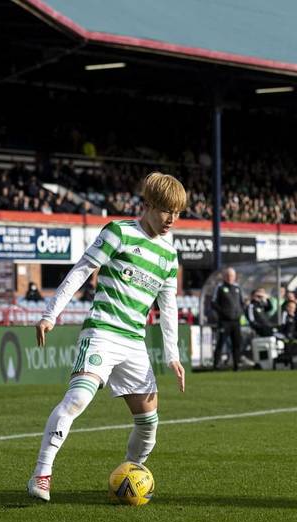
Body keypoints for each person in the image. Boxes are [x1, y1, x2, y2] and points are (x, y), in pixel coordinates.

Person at [28, 172, 187, 502]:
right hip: (102, 332)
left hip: (134, 342)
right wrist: (50, 314)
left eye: (178, 213)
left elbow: (168, 306)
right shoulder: (119, 232)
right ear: (148, 205)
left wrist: (173, 354)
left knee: (149, 425)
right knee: (77, 400)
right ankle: (42, 473)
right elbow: (82, 270)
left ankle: (132, 475)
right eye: (166, 211)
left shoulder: (169, 256)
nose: (172, 219)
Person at [211, 266, 244, 371]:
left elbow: (241, 303)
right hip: (224, 321)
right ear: (224, 276)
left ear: (235, 277)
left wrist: (240, 312)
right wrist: (222, 313)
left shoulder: (237, 288)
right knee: (221, 342)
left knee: (237, 343)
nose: (230, 277)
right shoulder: (220, 287)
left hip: (236, 321)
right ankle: (216, 365)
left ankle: (236, 365)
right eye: (228, 275)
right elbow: (213, 302)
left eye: (232, 275)